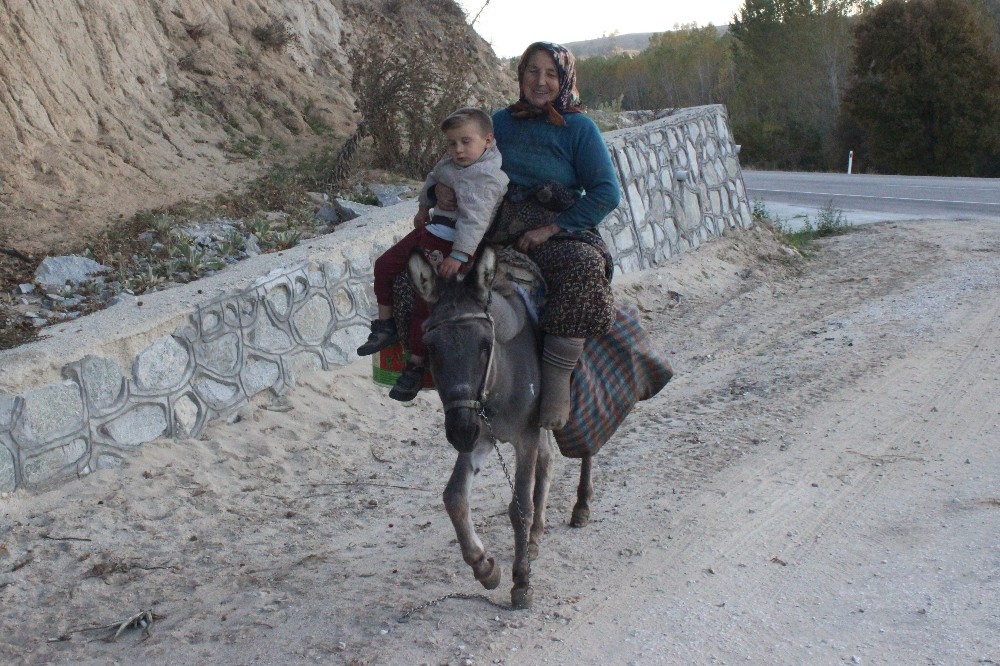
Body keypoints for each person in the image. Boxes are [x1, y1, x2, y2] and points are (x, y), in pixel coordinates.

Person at [438, 42, 622, 430]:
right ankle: (421, 364)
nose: (540, 81)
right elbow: (461, 161)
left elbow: (606, 193)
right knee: (428, 265)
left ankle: (556, 381)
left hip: (558, 229)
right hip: (494, 222)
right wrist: (442, 189)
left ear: (565, 79)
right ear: (520, 75)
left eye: (551, 73)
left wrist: (552, 228)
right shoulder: (499, 123)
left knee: (583, 267)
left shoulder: (580, 130)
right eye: (532, 71)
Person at [356, 107, 509, 402]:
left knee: (425, 302)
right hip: (430, 231)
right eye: (452, 143)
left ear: (488, 141)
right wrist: (424, 206)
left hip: (451, 244)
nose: (458, 149)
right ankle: (385, 325)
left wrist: (460, 255)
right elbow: (432, 178)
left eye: (466, 142)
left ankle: (416, 363)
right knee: (385, 265)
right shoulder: (451, 163)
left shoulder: (487, 178)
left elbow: (474, 221)